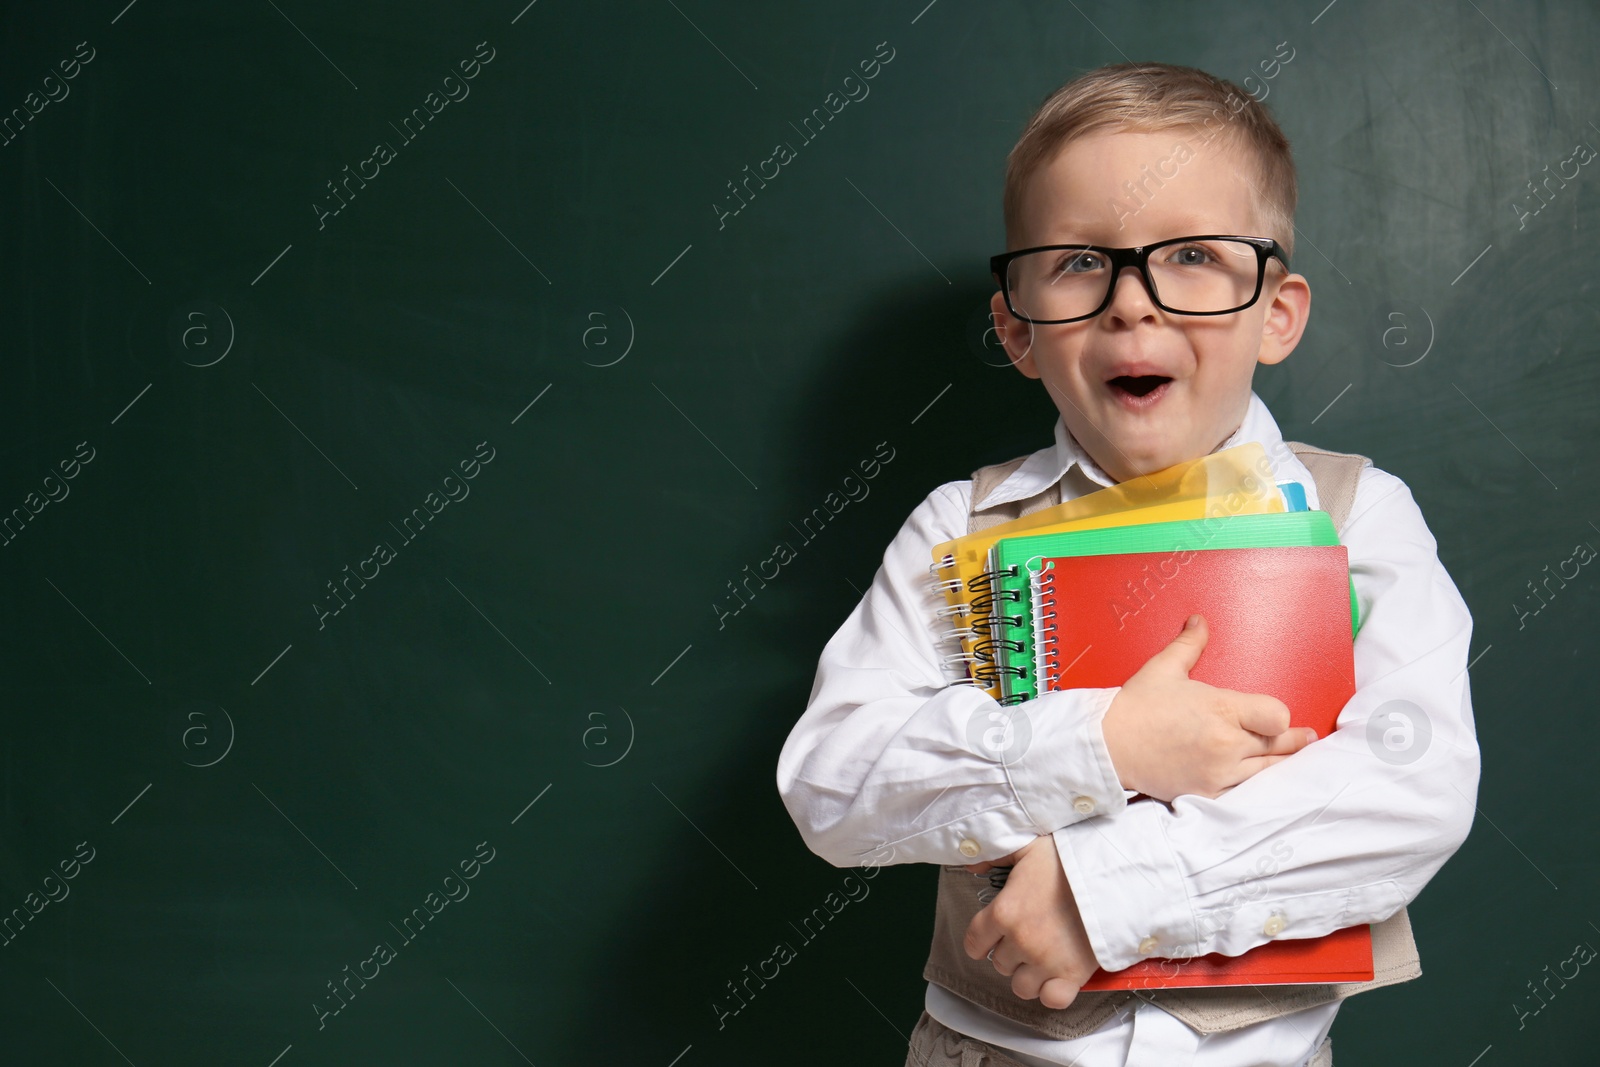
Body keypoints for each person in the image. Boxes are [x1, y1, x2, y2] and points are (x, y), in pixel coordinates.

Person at [775, 62, 1480, 1067]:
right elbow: (832, 786)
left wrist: (1100, 892)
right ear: (1015, 328)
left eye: (1192, 253)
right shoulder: (953, 527)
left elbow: (1411, 788)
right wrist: (1104, 741)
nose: (1131, 305)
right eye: (1076, 262)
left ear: (1275, 311)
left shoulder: (1361, 518)